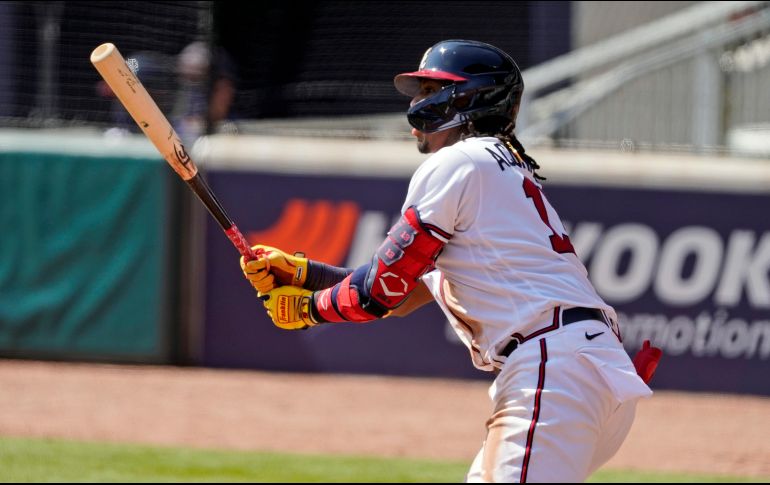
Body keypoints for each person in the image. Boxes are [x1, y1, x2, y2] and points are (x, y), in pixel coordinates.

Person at [240, 40, 660, 483]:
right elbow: (407, 291)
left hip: (554, 370)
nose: (418, 104)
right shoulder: (497, 175)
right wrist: (305, 274)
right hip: (586, 371)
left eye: (429, 90)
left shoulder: (460, 160)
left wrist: (307, 310)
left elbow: (382, 291)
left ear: (465, 99)